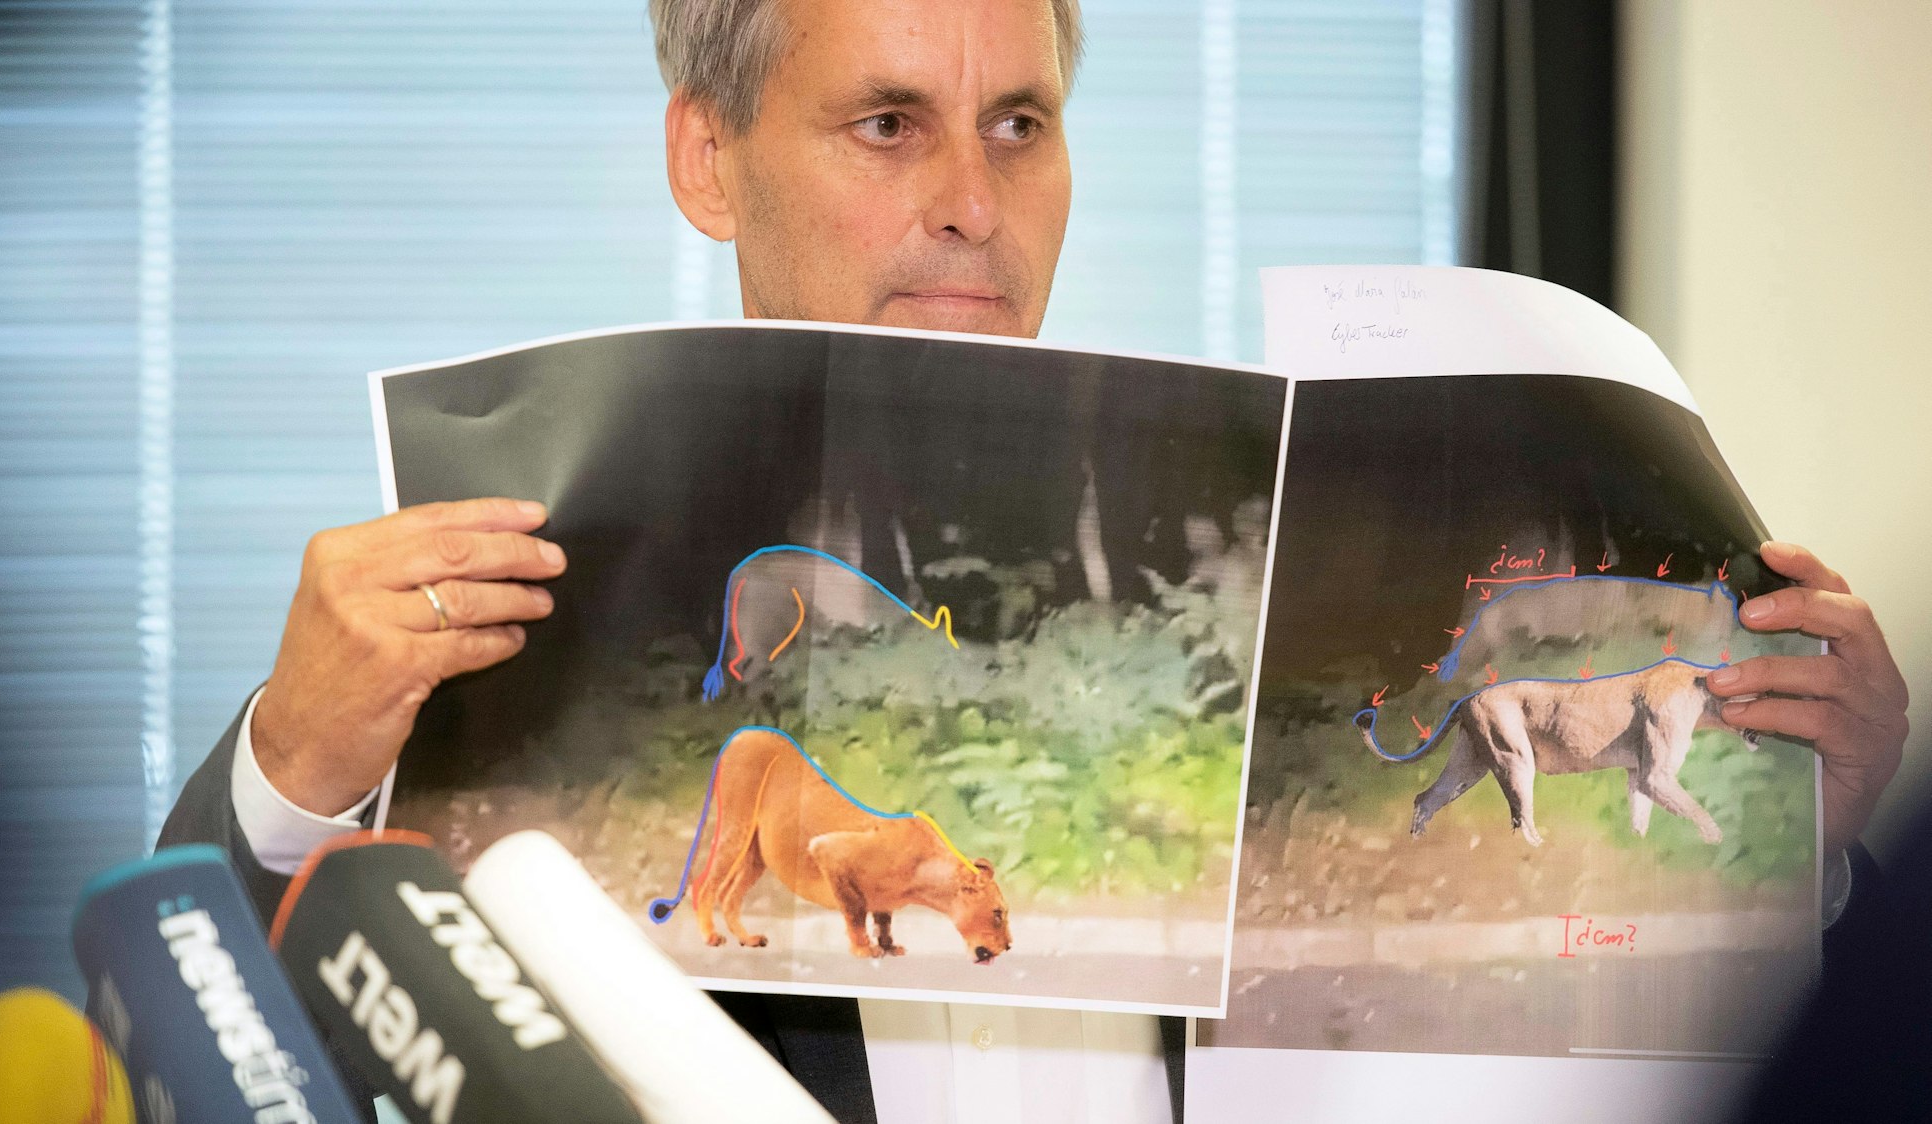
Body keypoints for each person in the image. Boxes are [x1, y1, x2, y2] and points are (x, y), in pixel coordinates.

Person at [160, 1, 1913, 1121]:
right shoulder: (505, 580)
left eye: (1020, 123)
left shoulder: (1222, 575)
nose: (972, 205)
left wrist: (1792, 857)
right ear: (710, 154)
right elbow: (198, 1046)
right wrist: (292, 767)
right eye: (887, 122)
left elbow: (1491, 1033)